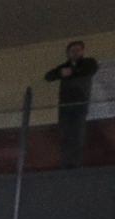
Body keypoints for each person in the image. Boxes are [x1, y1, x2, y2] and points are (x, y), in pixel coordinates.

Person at [46, 41, 98, 169]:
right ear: (68, 53)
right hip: (65, 105)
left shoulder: (88, 63)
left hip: (80, 103)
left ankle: (75, 163)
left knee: (78, 133)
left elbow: (91, 69)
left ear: (82, 51)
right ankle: (65, 163)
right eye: (73, 50)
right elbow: (48, 76)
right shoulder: (64, 67)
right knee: (65, 134)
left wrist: (71, 72)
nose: (75, 53)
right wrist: (61, 73)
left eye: (78, 50)